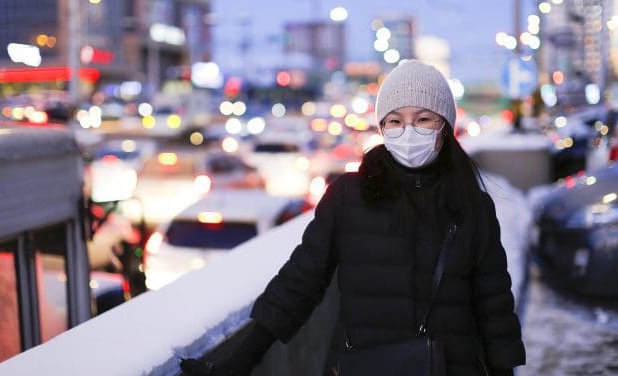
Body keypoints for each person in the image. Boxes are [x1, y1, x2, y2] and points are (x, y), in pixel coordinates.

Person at [180, 60, 526, 376]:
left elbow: (494, 305)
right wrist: (239, 362)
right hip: (364, 365)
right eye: (395, 121)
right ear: (382, 128)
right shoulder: (349, 196)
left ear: (445, 127)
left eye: (423, 119)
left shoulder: (472, 205)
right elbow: (301, 281)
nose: (408, 132)